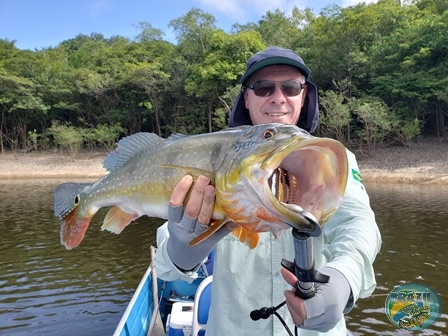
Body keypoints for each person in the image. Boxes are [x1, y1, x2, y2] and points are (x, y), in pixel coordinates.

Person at [154, 46, 382, 335]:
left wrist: (343, 279)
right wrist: (180, 251)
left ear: (304, 96)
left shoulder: (335, 159)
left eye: (290, 87)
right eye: (263, 88)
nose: (278, 97)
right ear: (246, 98)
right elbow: (167, 266)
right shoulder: (209, 156)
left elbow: (358, 223)